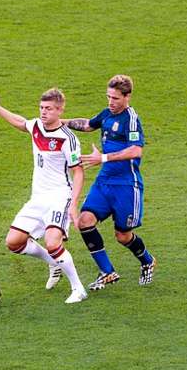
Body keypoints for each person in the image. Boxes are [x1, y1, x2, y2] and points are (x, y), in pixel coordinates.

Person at [0, 88, 88, 303]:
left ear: (60, 110)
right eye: (41, 108)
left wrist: (73, 203)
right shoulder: (36, 127)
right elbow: (19, 122)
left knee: (53, 243)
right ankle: (53, 262)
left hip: (60, 197)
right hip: (38, 198)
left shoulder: (67, 139)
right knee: (14, 242)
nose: (43, 112)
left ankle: (78, 288)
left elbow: (78, 172)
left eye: (49, 109)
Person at [64, 74, 156, 290]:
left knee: (123, 236)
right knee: (84, 221)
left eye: (115, 98)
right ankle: (107, 271)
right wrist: (60, 122)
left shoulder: (131, 119)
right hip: (104, 182)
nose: (111, 102)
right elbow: (88, 125)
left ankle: (147, 261)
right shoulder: (107, 114)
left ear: (127, 97)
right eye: (108, 97)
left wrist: (102, 158)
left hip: (126, 186)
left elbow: (136, 150)